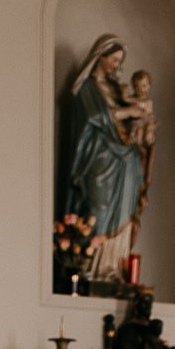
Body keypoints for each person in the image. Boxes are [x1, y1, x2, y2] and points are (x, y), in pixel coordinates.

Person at [61, 34, 146, 279]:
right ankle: (89, 267)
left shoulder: (116, 89)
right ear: (100, 57)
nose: (117, 66)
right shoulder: (87, 88)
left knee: (125, 209)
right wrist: (127, 111)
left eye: (120, 61)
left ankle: (112, 268)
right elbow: (90, 118)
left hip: (123, 161)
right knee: (97, 207)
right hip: (97, 160)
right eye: (114, 59)